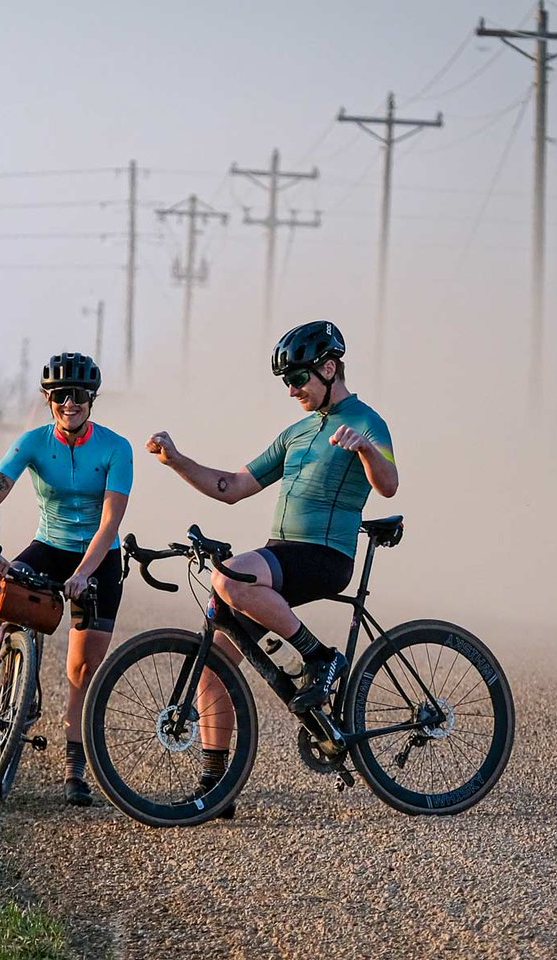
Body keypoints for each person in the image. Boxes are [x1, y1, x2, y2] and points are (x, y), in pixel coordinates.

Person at [146, 320, 397, 809]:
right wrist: (177, 460)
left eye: (298, 378)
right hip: (280, 553)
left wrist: (365, 447)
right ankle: (216, 786)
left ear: (329, 368)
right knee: (214, 664)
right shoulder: (298, 432)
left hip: (325, 555)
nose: (291, 389)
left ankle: (319, 656)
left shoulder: (367, 421)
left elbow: (388, 484)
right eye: (286, 381)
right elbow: (233, 487)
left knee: (231, 575)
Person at [0, 352, 133, 808]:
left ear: (91, 400)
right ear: (49, 400)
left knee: (81, 670)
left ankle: (74, 767)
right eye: (59, 396)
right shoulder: (33, 442)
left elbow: (110, 523)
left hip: (98, 558)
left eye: (77, 396)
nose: (68, 404)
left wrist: (82, 574)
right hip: (48, 546)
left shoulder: (117, 448)